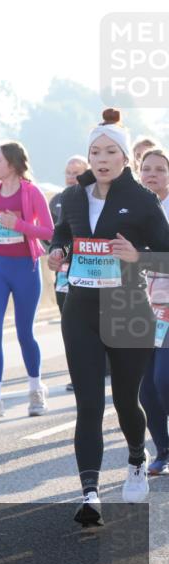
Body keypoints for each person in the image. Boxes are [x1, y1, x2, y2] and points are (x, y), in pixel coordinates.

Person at [48, 109, 169, 526]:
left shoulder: (140, 200)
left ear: (124, 158)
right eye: (95, 151)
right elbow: (63, 231)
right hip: (80, 306)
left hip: (127, 308)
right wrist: (57, 251)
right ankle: (90, 492)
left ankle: (137, 459)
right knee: (87, 404)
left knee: (124, 402)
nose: (101, 158)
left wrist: (138, 257)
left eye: (110, 151)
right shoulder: (74, 196)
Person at [0, 141, 54, 419]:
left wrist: (18, 225)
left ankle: (36, 389)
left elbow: (47, 231)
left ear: (12, 163)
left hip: (25, 268)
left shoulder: (32, 193)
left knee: (24, 333)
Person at [139, 147, 169, 476]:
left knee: (164, 380)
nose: (152, 174)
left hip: (167, 306)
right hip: (134, 306)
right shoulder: (132, 208)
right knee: (144, 387)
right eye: (147, 169)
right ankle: (162, 449)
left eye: (160, 169)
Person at [51, 156, 89, 392]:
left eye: (77, 172)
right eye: (68, 172)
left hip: (90, 273)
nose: (71, 176)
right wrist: (56, 250)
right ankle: (77, 374)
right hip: (63, 275)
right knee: (70, 325)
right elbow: (57, 233)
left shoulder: (93, 197)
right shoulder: (59, 199)